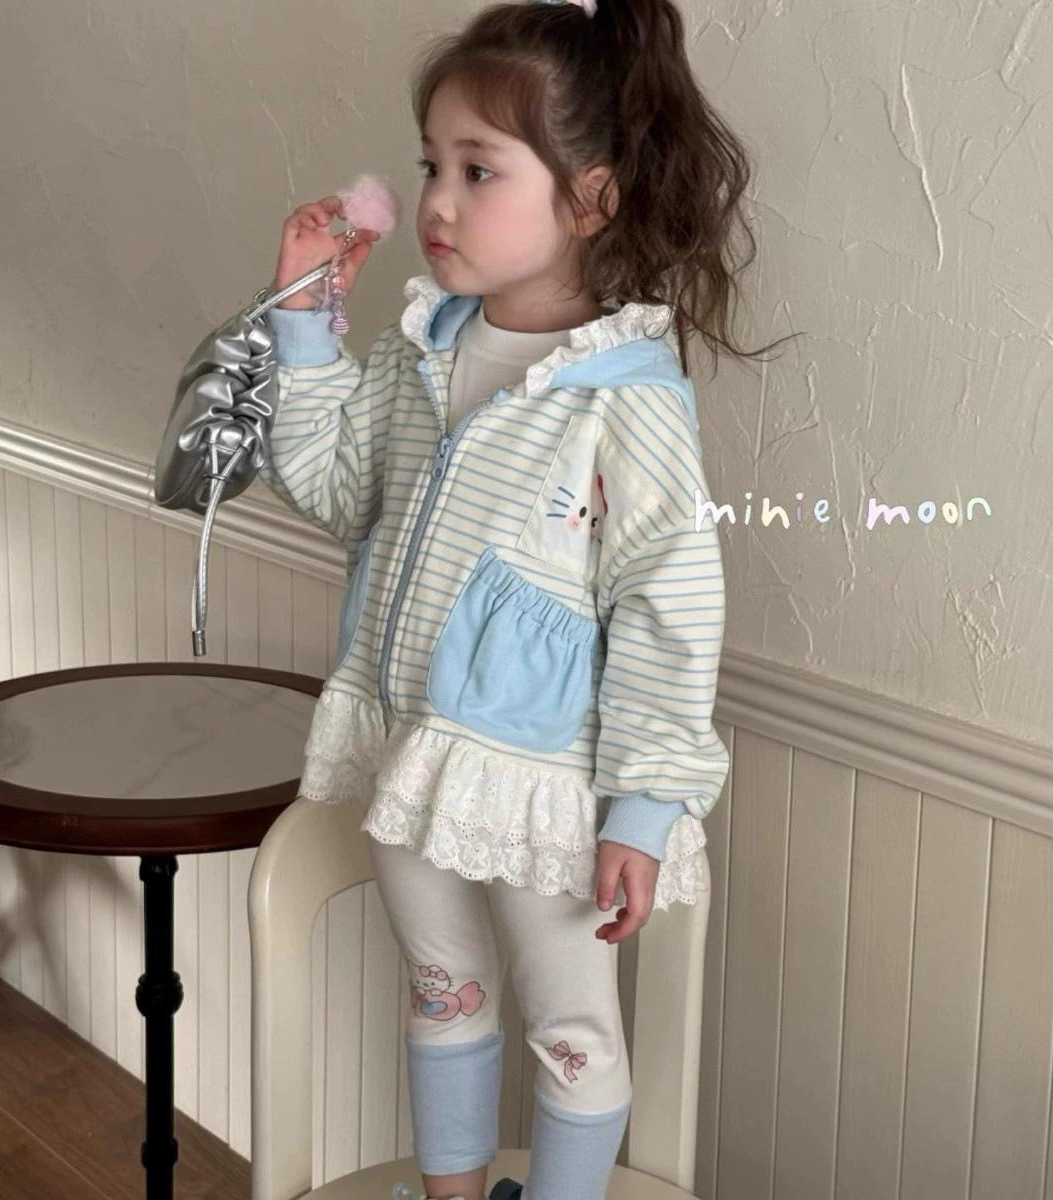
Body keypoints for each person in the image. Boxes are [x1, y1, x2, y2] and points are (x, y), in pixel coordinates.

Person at [262, 3, 793, 1198]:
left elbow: (669, 606)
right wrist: (303, 324)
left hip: (550, 786)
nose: (438, 203)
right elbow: (339, 490)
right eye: (430, 167)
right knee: (442, 992)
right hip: (409, 750)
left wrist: (644, 807)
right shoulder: (419, 353)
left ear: (591, 199)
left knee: (573, 1034)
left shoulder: (626, 397)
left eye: (479, 170)